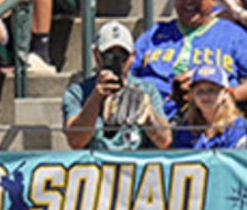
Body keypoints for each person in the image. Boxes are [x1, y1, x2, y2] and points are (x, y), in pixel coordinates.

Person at [133, 0, 247, 118]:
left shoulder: (233, 34)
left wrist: (223, 95)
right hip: (152, 115)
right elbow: (128, 71)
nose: (189, 1)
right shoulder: (155, 33)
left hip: (211, 118)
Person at [64, 21, 173, 149]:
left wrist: (147, 111)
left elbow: (165, 141)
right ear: (97, 55)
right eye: (108, 56)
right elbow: (75, 141)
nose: (117, 62)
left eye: (123, 56)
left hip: (134, 159)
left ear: (132, 57)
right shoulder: (78, 92)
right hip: (97, 159)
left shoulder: (147, 90)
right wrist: (95, 98)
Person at [170, 63, 247, 148]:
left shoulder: (236, 125)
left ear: (225, 93)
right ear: (192, 95)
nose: (205, 96)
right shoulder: (187, 125)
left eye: (212, 90)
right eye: (199, 91)